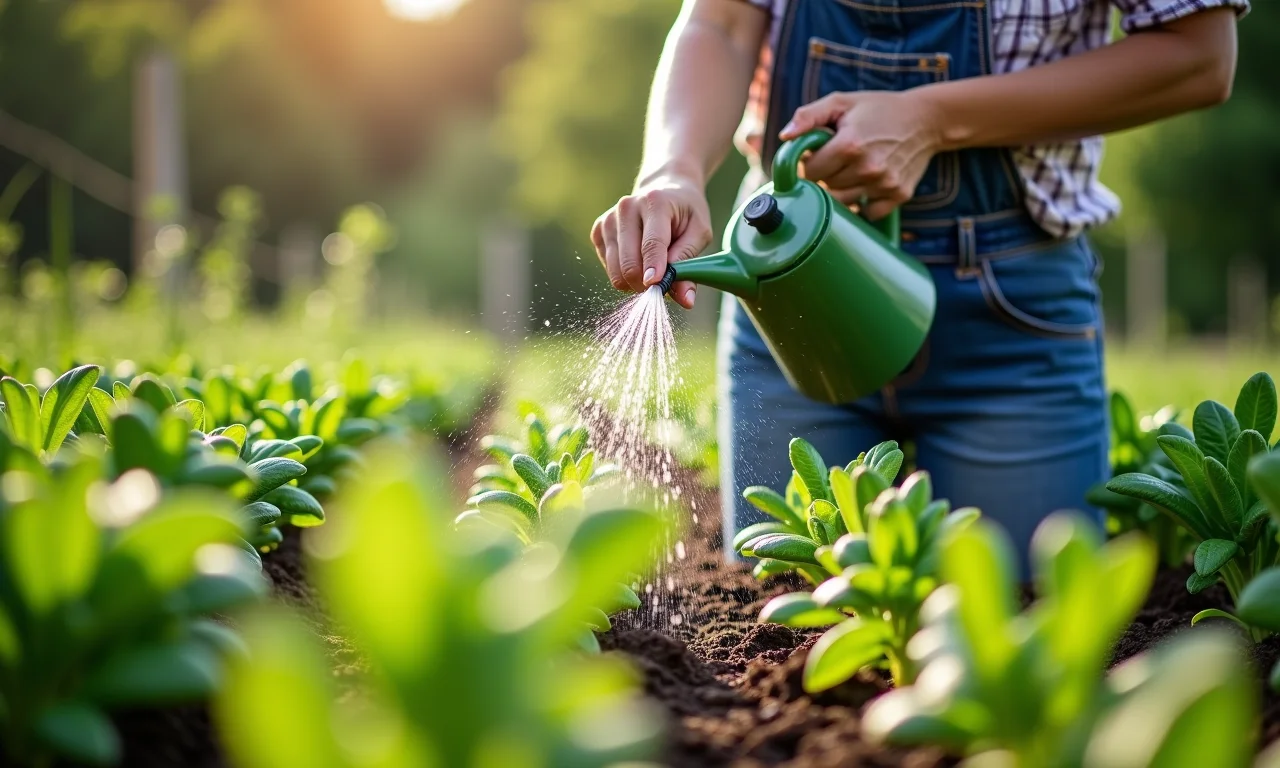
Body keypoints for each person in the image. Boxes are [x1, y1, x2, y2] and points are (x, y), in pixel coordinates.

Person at [590, 0, 1247, 568]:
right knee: (783, 624)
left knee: (1025, 622)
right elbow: (722, 22)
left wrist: (933, 118)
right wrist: (671, 171)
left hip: (1011, 312)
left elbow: (1199, 54)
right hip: (790, 293)